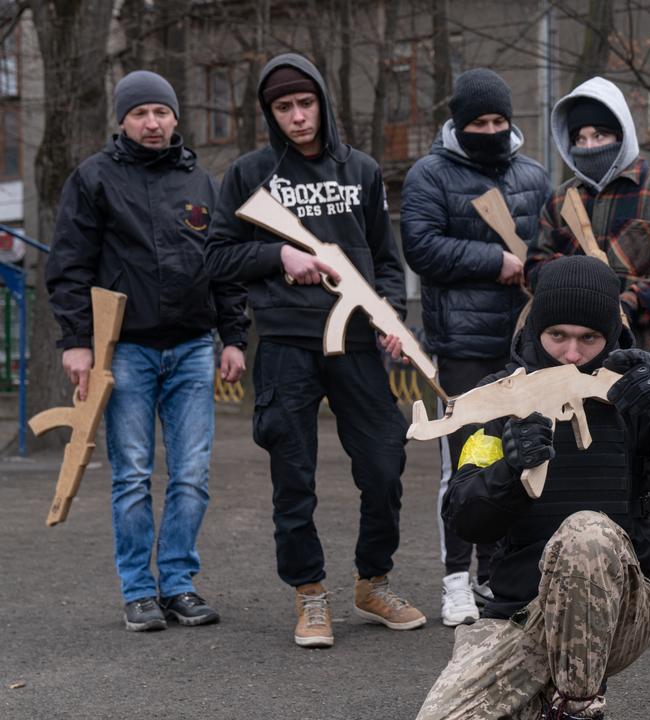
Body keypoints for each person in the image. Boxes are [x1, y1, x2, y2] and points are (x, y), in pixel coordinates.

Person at [415, 256, 650, 720]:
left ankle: (577, 706)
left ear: (609, 334)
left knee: (586, 532)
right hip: (522, 614)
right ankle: (543, 696)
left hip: (623, 615)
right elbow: (466, 516)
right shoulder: (500, 400)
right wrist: (510, 470)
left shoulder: (637, 395)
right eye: (558, 337)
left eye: (589, 338)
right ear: (536, 332)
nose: (572, 354)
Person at [205, 54, 425, 648]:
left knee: (384, 465)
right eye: (284, 107)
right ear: (270, 114)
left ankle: (372, 582)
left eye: (306, 103)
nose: (298, 117)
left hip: (356, 341)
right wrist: (280, 256)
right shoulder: (249, 173)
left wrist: (390, 315)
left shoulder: (362, 170)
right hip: (283, 344)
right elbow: (217, 256)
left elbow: (385, 257)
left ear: (323, 101)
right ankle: (309, 595)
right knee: (293, 476)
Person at [45, 70, 247, 632]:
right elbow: (68, 267)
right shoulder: (95, 179)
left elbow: (225, 268)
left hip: (191, 348)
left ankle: (178, 584)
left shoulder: (201, 184)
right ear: (122, 120)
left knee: (191, 475)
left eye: (161, 112)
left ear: (175, 118)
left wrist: (233, 336)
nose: (152, 123)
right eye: (140, 114)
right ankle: (138, 591)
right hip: (125, 350)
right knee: (132, 474)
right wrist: (76, 342)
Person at [400, 68, 551, 627]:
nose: (489, 130)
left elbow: (549, 242)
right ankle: (456, 581)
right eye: (478, 122)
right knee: (464, 460)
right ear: (458, 123)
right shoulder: (429, 175)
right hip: (461, 344)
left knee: (516, 455)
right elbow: (420, 246)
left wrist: (537, 268)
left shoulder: (534, 175)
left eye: (498, 121)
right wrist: (497, 262)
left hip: (523, 344)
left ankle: (499, 575)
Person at [527, 75, 650, 538]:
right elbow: (536, 270)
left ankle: (643, 584)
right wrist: (576, 296)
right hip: (575, 365)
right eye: (581, 138)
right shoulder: (559, 201)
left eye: (600, 135)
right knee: (579, 467)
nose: (590, 145)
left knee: (641, 477)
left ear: (621, 133)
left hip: (645, 359)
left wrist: (625, 302)